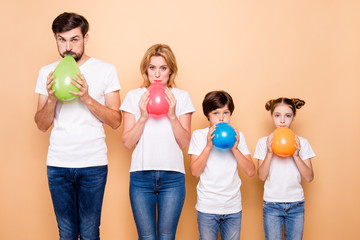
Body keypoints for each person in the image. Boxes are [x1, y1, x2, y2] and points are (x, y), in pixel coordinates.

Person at [34, 12, 121, 240]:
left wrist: (87, 98)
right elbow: (41, 125)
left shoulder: (106, 70)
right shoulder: (47, 73)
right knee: (66, 233)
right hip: (58, 164)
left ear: (85, 38)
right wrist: (52, 98)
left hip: (93, 163)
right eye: (62, 40)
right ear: (55, 39)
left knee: (91, 233)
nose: (68, 47)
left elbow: (116, 120)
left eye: (74, 39)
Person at [120, 43, 195, 240]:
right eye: (152, 67)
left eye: (163, 68)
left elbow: (185, 142)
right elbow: (127, 142)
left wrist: (172, 115)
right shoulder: (133, 96)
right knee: (146, 238)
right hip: (140, 177)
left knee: (166, 237)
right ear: (146, 69)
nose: (157, 74)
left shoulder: (181, 97)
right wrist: (143, 116)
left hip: (173, 177)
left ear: (171, 70)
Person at [188, 91, 255, 240]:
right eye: (215, 113)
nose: (221, 117)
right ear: (208, 115)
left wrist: (235, 148)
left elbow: (251, 171)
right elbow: (195, 172)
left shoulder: (238, 136)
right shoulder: (199, 136)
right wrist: (208, 147)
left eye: (226, 112)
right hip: (207, 206)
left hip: (233, 207)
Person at [254, 98, 315, 240]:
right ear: (271, 116)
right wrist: (269, 152)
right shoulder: (263, 143)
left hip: (296, 204)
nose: (282, 121)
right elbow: (261, 176)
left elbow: (309, 177)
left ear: (294, 117)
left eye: (287, 116)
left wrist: (296, 155)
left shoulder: (302, 143)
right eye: (277, 115)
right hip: (272, 204)